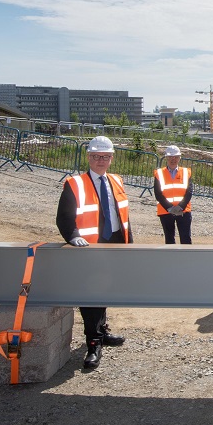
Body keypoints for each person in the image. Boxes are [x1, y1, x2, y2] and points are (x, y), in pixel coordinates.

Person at [55, 136, 130, 370]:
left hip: (114, 242)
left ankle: (102, 331)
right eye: (96, 156)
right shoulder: (75, 183)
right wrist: (73, 235)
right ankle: (93, 343)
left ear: (112, 158)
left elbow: (123, 215)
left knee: (105, 288)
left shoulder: (116, 180)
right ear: (88, 157)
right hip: (89, 248)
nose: (101, 160)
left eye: (105, 157)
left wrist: (130, 244)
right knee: (90, 294)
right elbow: (64, 218)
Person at [153, 145, 193, 244]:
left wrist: (180, 207)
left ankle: (186, 259)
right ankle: (171, 259)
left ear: (179, 158)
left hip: (183, 211)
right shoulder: (159, 173)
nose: (173, 159)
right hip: (166, 211)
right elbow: (158, 193)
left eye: (175, 157)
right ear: (166, 158)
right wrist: (170, 208)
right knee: (169, 240)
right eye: (170, 157)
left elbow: (189, 192)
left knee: (186, 239)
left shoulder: (185, 172)